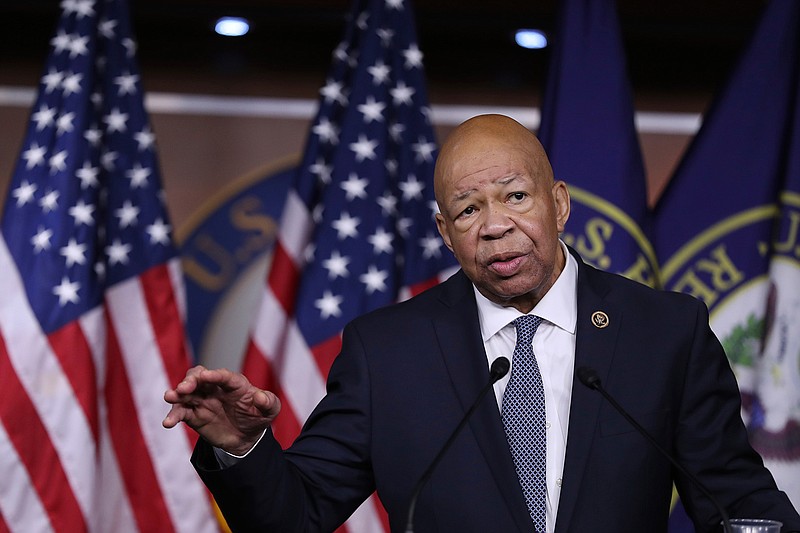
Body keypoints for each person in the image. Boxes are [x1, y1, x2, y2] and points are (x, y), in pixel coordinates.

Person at [163, 114, 800, 533]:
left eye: (516, 196)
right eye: (468, 209)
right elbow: (294, 517)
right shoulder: (388, 353)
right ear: (445, 232)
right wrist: (239, 444)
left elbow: (736, 505)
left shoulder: (665, 332)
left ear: (559, 203)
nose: (495, 225)